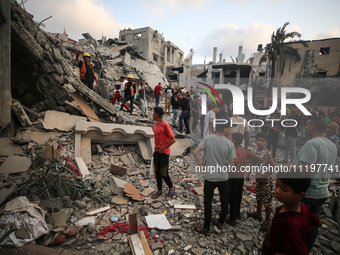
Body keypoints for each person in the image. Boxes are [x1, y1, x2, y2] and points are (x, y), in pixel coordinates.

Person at [297, 117, 337, 252]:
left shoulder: (312, 144)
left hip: (307, 192)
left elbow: (306, 171)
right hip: (322, 191)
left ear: (312, 126)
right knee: (313, 224)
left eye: (307, 125)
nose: (305, 127)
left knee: (299, 224)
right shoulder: (331, 145)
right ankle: (306, 250)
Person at [193, 118, 236, 236]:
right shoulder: (229, 143)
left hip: (210, 177)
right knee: (224, 201)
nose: (231, 130)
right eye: (230, 128)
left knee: (208, 202)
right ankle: (220, 222)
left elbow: (195, 152)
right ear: (225, 129)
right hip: (223, 178)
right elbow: (232, 165)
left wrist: (201, 166)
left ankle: (206, 227)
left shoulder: (207, 139)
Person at [262, 175, 321, 255]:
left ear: (300, 195)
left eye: (284, 189)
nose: (277, 190)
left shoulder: (290, 225)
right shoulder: (301, 207)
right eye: (277, 185)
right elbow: (317, 223)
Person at [227, 133, 259, 225]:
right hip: (241, 176)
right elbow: (255, 158)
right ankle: (237, 213)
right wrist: (246, 163)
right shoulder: (244, 151)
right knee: (238, 195)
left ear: (233, 140)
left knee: (232, 197)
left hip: (232, 176)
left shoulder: (233, 152)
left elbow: (232, 164)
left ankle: (232, 218)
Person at [247, 132, 275, 231]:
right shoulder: (255, 152)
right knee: (259, 196)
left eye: (262, 140)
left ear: (266, 142)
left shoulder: (267, 153)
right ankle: (258, 213)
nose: (259, 142)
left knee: (267, 199)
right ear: (255, 141)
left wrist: (265, 176)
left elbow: (272, 166)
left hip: (267, 179)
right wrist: (249, 173)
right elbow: (253, 162)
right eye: (258, 140)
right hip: (258, 178)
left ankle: (268, 219)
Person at [151, 107, 176, 199]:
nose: (152, 115)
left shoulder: (165, 125)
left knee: (163, 173)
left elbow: (173, 139)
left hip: (164, 152)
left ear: (157, 114)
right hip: (157, 151)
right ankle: (159, 190)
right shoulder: (156, 124)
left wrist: (163, 148)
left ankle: (171, 187)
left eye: (153, 113)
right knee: (157, 172)